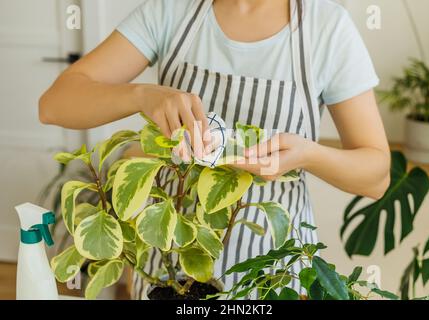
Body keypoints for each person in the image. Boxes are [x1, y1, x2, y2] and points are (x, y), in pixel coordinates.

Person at [39, 0, 390, 299]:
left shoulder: (326, 28)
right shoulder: (173, 11)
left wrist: (309, 154)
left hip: (272, 276)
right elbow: (55, 104)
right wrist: (141, 94)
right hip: (167, 266)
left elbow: (376, 177)